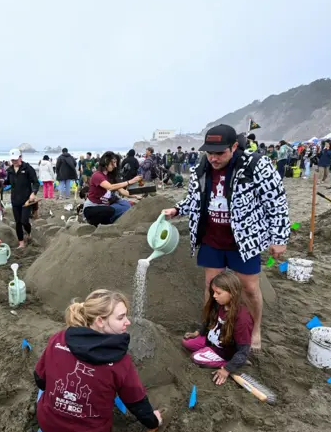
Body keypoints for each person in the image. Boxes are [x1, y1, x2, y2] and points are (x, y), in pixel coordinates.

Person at [162, 124, 290, 351]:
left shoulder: (256, 165)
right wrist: (177, 209)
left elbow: (276, 202)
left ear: (233, 147)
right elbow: (194, 198)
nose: (213, 158)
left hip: (244, 240)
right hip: (212, 237)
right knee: (212, 287)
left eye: (219, 152)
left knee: (249, 288)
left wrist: (279, 237)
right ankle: (210, 327)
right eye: (209, 152)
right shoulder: (201, 167)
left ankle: (255, 329)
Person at [29, 290, 162, 432]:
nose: (128, 322)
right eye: (121, 317)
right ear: (100, 321)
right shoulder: (120, 362)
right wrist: (153, 421)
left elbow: (40, 379)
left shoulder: (58, 339)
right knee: (98, 413)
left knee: (44, 388)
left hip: (51, 424)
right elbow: (136, 402)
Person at [181, 271, 253, 385]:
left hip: (224, 351)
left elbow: (243, 350)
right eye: (213, 292)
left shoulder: (242, 318)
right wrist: (198, 332)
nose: (214, 296)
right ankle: (208, 350)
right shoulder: (219, 303)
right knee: (186, 342)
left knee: (196, 357)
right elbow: (209, 320)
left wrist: (226, 369)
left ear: (232, 293)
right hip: (212, 340)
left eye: (218, 293)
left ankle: (229, 362)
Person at [83, 152, 141, 225]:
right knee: (109, 210)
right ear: (106, 162)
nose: (115, 166)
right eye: (113, 163)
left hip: (104, 206)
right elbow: (110, 187)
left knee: (126, 205)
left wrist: (135, 196)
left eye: (116, 163)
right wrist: (130, 182)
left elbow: (122, 191)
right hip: (92, 208)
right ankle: (99, 223)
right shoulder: (97, 175)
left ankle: (111, 220)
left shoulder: (110, 177)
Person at [5, 150, 40, 248]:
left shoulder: (27, 168)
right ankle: (21, 242)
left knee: (24, 221)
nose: (14, 162)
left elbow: (36, 182)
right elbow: (8, 182)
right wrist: (1, 181)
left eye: (16, 159)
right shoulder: (10, 170)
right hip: (15, 199)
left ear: (20, 157)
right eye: (12, 160)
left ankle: (28, 234)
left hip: (26, 200)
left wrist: (33, 193)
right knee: (18, 222)